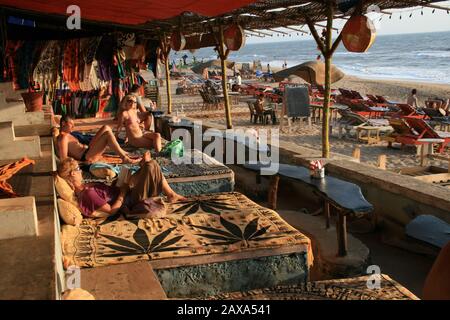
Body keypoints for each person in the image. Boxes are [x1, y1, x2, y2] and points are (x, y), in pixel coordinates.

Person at [56, 152, 186, 217]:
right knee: (151, 166)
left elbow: (106, 194)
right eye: (78, 169)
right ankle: (171, 194)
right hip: (130, 200)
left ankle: (171, 194)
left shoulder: (85, 187)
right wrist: (123, 191)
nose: (80, 171)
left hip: (123, 191)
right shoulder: (87, 194)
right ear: (72, 174)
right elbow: (112, 211)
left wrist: (117, 184)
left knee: (150, 166)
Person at [57, 116, 139, 164]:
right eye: (71, 124)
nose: (73, 127)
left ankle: (122, 152)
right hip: (86, 156)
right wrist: (81, 163)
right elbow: (63, 158)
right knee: (107, 135)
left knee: (106, 127)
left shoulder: (69, 135)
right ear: (63, 123)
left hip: (89, 149)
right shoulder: (63, 138)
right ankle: (124, 157)